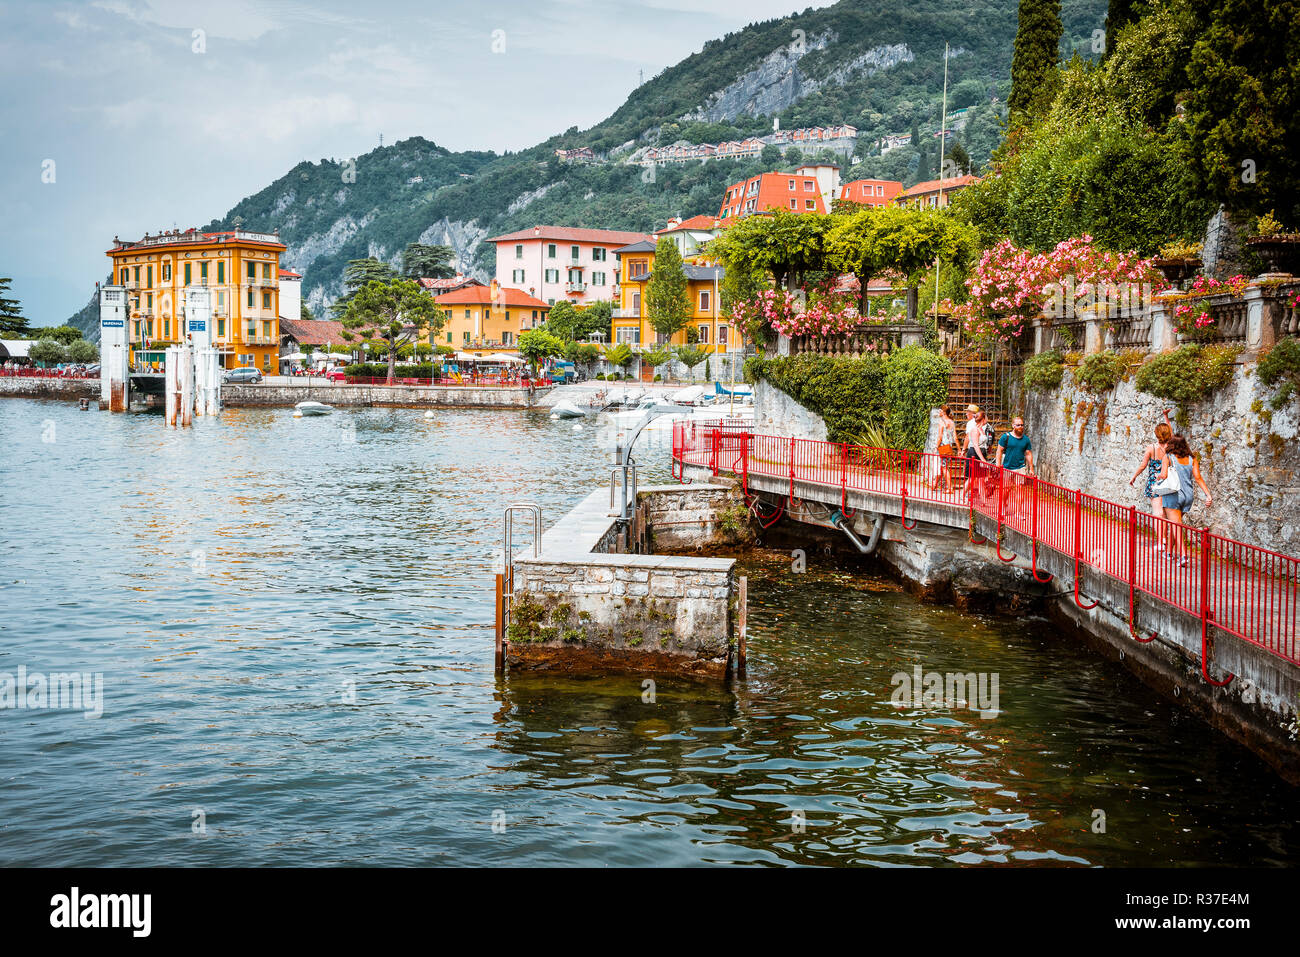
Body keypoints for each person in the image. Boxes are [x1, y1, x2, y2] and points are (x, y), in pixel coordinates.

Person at [1156, 435, 1212, 568]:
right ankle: (1168, 552)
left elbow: (1163, 475)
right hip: (1188, 496)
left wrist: (1158, 477)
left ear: (1172, 445)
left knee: (1176, 526)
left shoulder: (1168, 457)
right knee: (1176, 524)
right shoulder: (1192, 459)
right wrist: (1208, 495)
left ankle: (1183, 556)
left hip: (1174, 495)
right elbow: (1198, 478)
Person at [1129, 416, 1175, 552]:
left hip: (1155, 483)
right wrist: (1167, 418)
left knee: (1157, 513)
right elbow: (1170, 432)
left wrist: (1134, 477)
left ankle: (1160, 542)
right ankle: (1165, 539)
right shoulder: (1171, 447)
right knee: (1165, 513)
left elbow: (1143, 465)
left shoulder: (1151, 448)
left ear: (1156, 434)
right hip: (1168, 483)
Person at [996, 416, 1035, 517]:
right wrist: (998, 464)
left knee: (1020, 489)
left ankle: (1018, 512)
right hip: (1007, 467)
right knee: (1006, 489)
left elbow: (1028, 454)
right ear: (1013, 426)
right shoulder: (1006, 437)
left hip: (1020, 467)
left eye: (1022, 425)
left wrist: (1031, 468)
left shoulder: (1026, 440)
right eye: (1018, 425)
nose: (1020, 427)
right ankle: (1003, 505)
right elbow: (999, 450)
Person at [928, 404, 958, 493]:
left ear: (944, 412)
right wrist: (959, 449)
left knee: (944, 467)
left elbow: (940, 436)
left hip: (942, 447)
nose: (939, 412)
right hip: (949, 447)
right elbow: (955, 437)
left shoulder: (942, 422)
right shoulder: (952, 422)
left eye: (940, 411)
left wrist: (936, 447)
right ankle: (934, 485)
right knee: (943, 466)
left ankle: (950, 488)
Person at [962, 404, 988, 500]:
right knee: (971, 477)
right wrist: (982, 459)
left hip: (980, 453)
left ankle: (983, 500)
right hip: (974, 453)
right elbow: (975, 445)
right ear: (983, 419)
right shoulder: (974, 428)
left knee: (981, 478)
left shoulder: (982, 429)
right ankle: (963, 495)